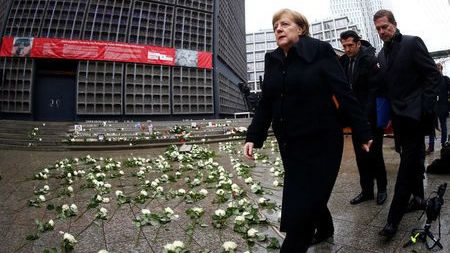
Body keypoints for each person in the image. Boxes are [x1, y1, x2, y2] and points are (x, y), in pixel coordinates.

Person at [243, 9, 373, 252]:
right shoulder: (272, 59)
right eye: (275, 26)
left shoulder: (319, 51)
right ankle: (325, 228)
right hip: (290, 144)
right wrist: (254, 136)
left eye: (284, 24)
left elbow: (344, 92)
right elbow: (267, 102)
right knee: (308, 192)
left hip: (321, 142)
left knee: (300, 215)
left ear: (300, 29)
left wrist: (363, 131)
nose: (278, 29)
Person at [373, 9, 441, 237]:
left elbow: (433, 75)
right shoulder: (381, 56)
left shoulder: (412, 43)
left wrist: (426, 106)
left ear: (394, 24)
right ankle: (419, 198)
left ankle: (393, 219)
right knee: (410, 158)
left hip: (416, 114)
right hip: (398, 118)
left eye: (385, 26)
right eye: (379, 29)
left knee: (406, 166)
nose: (382, 31)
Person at [339, 30, 388, 205]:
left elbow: (374, 91)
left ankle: (382, 189)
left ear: (358, 43)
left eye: (350, 45)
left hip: (371, 117)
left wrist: (366, 117)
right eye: (344, 46)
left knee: (375, 154)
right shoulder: (343, 62)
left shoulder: (369, 60)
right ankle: (366, 191)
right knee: (361, 156)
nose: (347, 49)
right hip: (355, 118)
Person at [426, 63, 449, 153]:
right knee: (431, 127)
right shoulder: (431, 80)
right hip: (433, 107)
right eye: (436, 68)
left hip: (443, 107)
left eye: (439, 68)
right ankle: (431, 146)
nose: (437, 70)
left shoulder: (446, 79)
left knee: (443, 126)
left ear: (441, 69)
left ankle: (443, 145)